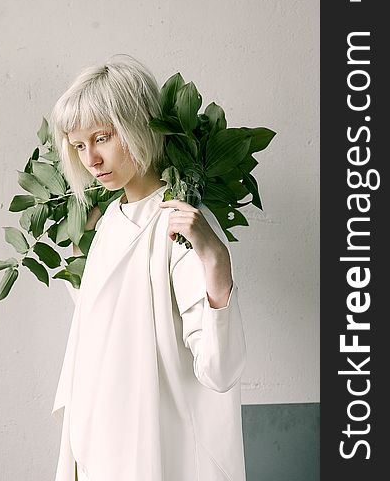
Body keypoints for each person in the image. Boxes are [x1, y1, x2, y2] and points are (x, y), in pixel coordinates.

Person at [49, 54, 247, 481]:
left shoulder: (178, 223)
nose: (91, 159)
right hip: (99, 439)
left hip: (155, 446)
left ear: (139, 126)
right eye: (79, 145)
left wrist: (215, 259)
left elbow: (219, 368)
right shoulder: (107, 224)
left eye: (102, 138)